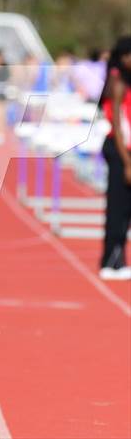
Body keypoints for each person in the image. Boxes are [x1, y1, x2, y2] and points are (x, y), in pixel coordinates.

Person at [99, 36, 131, 281]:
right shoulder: (117, 83)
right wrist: (127, 162)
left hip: (126, 150)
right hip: (119, 149)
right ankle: (110, 260)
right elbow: (118, 126)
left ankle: (119, 259)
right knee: (118, 207)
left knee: (126, 209)